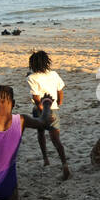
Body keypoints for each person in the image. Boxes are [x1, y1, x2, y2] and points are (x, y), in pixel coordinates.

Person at [25, 50, 70, 181]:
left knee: (40, 133)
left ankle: (45, 159)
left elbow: (36, 98)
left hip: (40, 110)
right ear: (47, 62)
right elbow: (60, 91)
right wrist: (59, 102)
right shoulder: (54, 74)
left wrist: (42, 111)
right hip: (54, 109)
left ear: (32, 64)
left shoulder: (31, 78)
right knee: (56, 139)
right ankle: (64, 164)